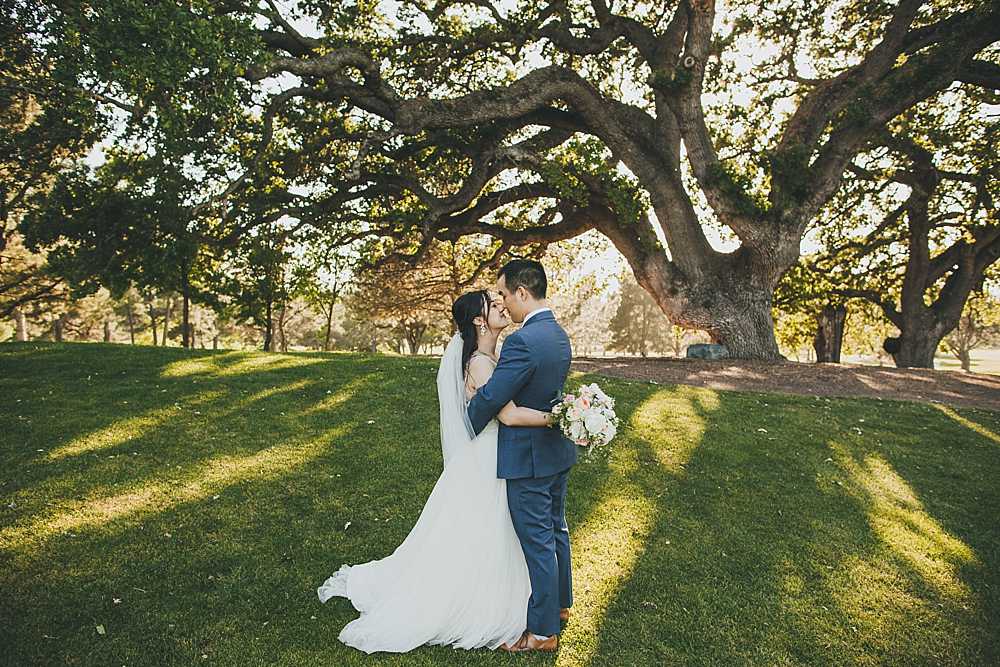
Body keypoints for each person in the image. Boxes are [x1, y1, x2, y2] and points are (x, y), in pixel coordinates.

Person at [316, 288, 553, 653]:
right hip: (489, 459)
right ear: (478, 319)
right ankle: (479, 601)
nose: (502, 306)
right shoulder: (480, 364)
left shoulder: (495, 355)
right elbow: (507, 415)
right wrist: (563, 417)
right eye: (493, 305)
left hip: (493, 454)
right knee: (485, 533)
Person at [467, 258, 577, 653]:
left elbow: (496, 396)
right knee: (556, 531)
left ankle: (543, 633)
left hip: (529, 459)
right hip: (556, 453)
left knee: (537, 543)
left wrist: (469, 420)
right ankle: (562, 606)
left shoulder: (522, 341)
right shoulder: (559, 334)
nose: (502, 302)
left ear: (522, 293)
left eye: (503, 294)